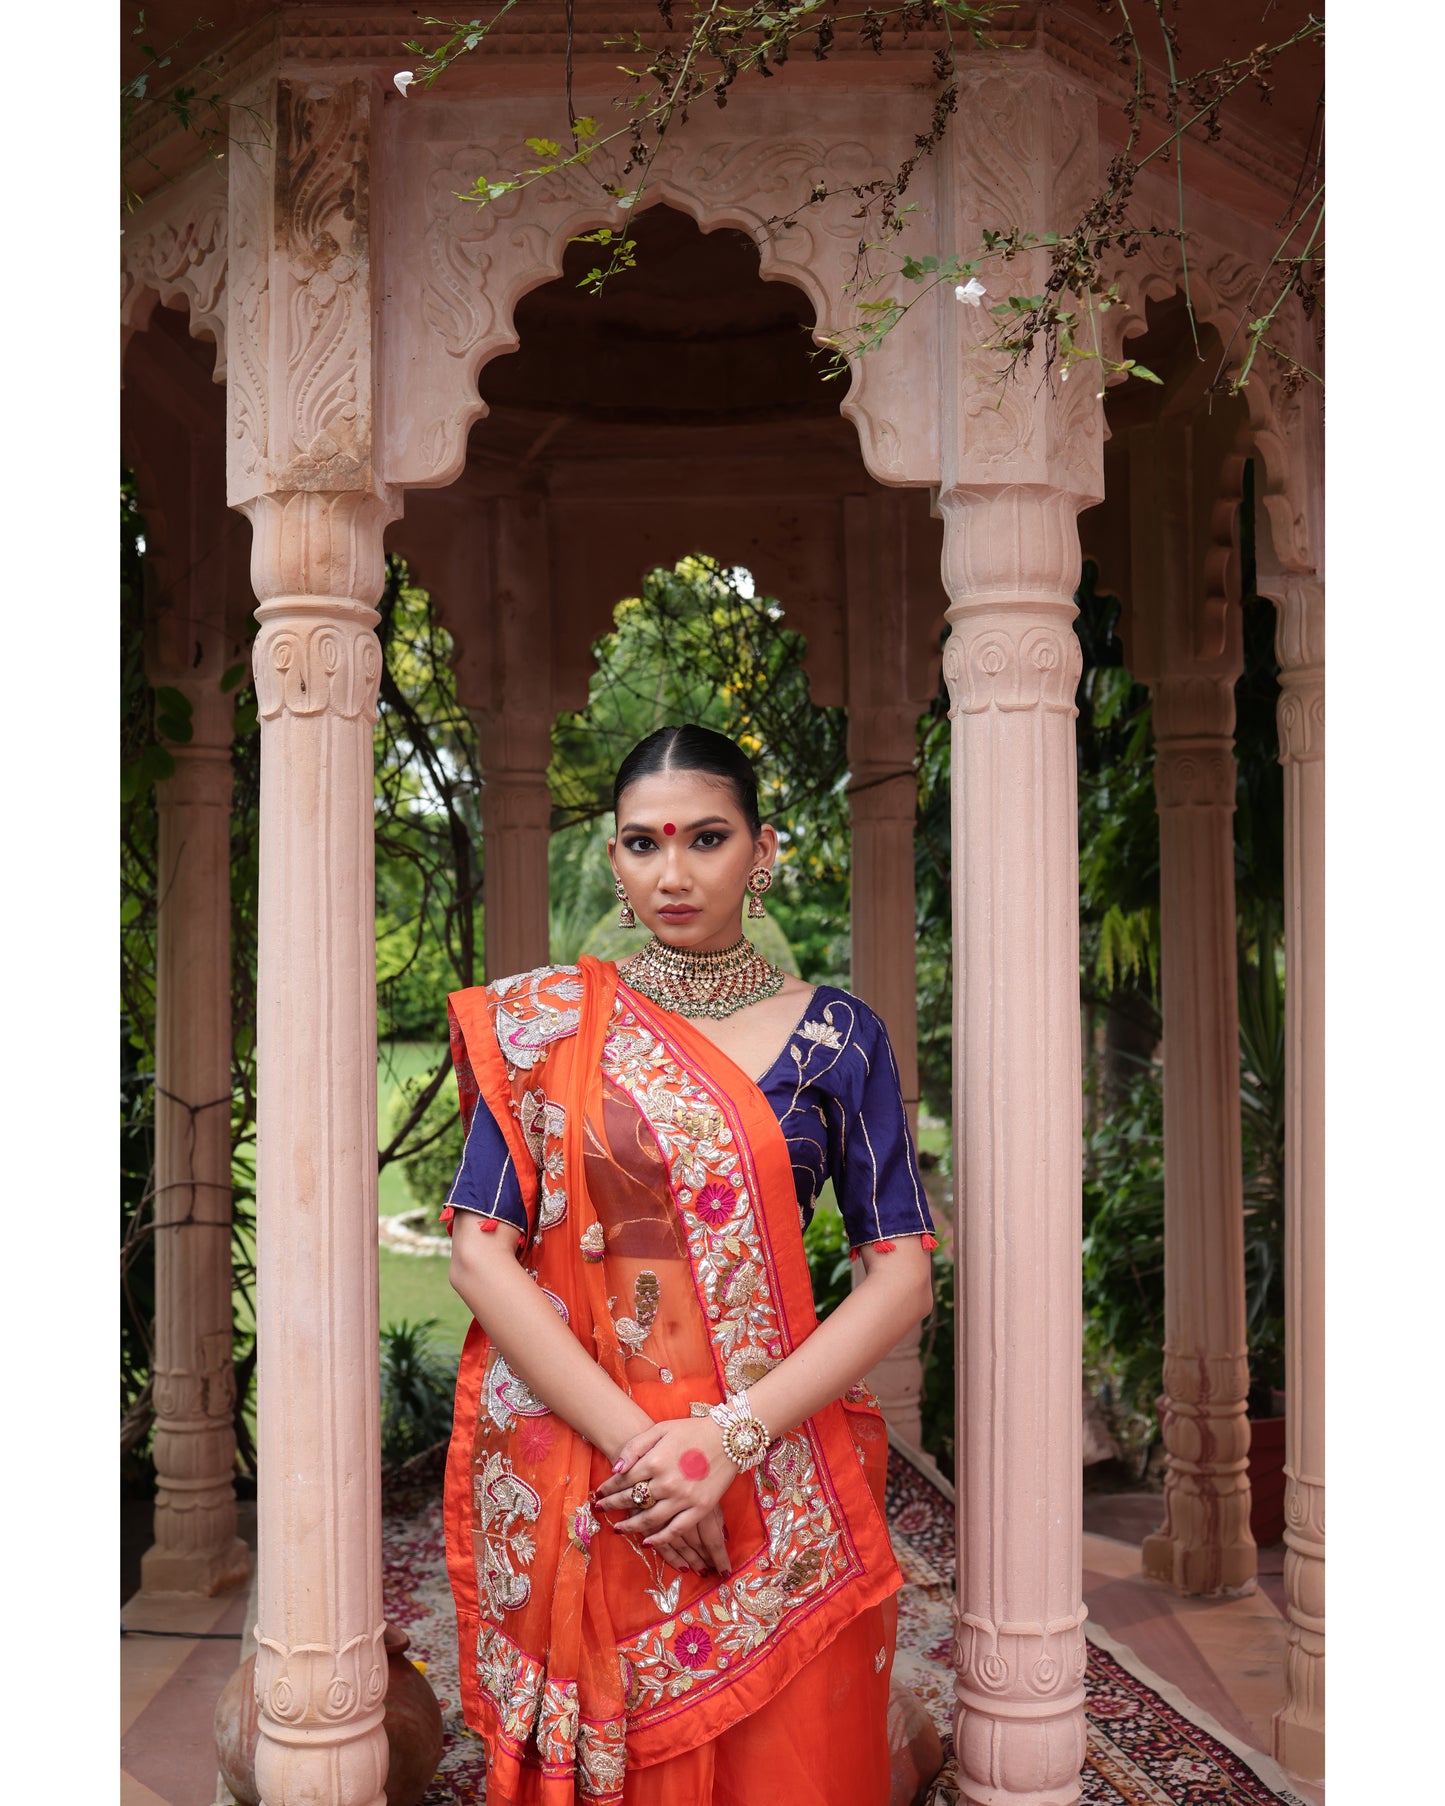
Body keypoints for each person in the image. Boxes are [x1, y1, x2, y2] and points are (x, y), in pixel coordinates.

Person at [441, 724, 937, 1806]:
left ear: (762, 851)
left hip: (774, 1455)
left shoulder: (837, 1038)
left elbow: (901, 1275)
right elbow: (480, 1253)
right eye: (643, 843)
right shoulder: (550, 1030)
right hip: (603, 1467)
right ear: (614, 860)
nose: (672, 872)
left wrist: (727, 1441)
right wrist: (650, 1457)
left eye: (705, 838)